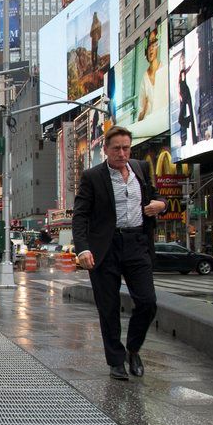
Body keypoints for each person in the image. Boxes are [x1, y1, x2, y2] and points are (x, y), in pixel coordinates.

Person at [72, 125, 166, 381]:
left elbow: (155, 197)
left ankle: (133, 349)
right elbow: (80, 216)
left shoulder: (141, 169)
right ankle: (115, 361)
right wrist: (83, 248)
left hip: (137, 243)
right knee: (109, 307)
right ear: (106, 149)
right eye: (117, 149)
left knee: (148, 302)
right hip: (106, 247)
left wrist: (162, 205)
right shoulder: (92, 177)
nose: (122, 153)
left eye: (126, 148)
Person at [137, 28, 168, 121]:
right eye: (148, 45)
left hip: (164, 120)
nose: (151, 48)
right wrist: (144, 109)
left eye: (153, 43)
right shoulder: (144, 79)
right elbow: (139, 117)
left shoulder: (165, 69)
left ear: (158, 45)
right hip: (150, 124)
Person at [177, 50, 198, 145]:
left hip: (187, 91)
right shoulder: (179, 73)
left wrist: (197, 53)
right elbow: (177, 87)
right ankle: (188, 119)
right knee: (180, 118)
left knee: (191, 111)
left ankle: (194, 139)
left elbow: (191, 66)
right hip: (182, 94)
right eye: (182, 62)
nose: (183, 64)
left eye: (184, 62)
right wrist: (180, 96)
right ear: (179, 63)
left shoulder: (184, 72)